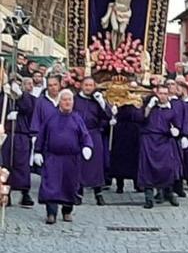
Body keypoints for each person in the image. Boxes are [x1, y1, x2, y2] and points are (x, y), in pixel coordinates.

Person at [34, 89, 94, 224]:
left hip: (71, 159)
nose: (67, 102)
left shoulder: (77, 118)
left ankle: (67, 211)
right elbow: (42, 134)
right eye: (65, 100)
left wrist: (87, 146)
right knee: (51, 185)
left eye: (70, 100)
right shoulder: (51, 117)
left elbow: (85, 135)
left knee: (70, 185)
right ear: (59, 102)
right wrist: (37, 151)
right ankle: (51, 213)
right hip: (53, 157)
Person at [139, 85, 183, 208]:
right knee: (147, 168)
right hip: (149, 140)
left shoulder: (172, 109)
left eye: (165, 93)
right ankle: (148, 197)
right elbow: (141, 118)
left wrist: (177, 132)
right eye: (160, 93)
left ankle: (168, 193)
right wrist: (149, 106)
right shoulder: (150, 107)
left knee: (166, 168)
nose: (162, 96)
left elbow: (177, 125)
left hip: (164, 140)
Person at [72, 77, 112, 206]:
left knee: (96, 165)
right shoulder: (75, 99)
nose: (88, 88)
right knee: (79, 164)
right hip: (78, 134)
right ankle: (78, 192)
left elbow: (108, 115)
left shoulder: (97, 100)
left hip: (94, 134)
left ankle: (98, 193)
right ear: (81, 86)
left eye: (91, 85)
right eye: (86, 85)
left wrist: (102, 103)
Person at [1, 77, 35, 207]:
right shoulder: (5, 97)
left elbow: (28, 108)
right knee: (6, 164)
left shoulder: (28, 98)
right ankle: (5, 194)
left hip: (22, 135)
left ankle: (25, 193)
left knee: (22, 165)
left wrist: (20, 96)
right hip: (7, 134)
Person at [109, 83, 144, 193]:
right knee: (120, 158)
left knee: (135, 158)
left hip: (134, 132)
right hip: (121, 132)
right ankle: (120, 185)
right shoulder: (119, 101)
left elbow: (141, 116)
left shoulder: (139, 100)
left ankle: (137, 183)